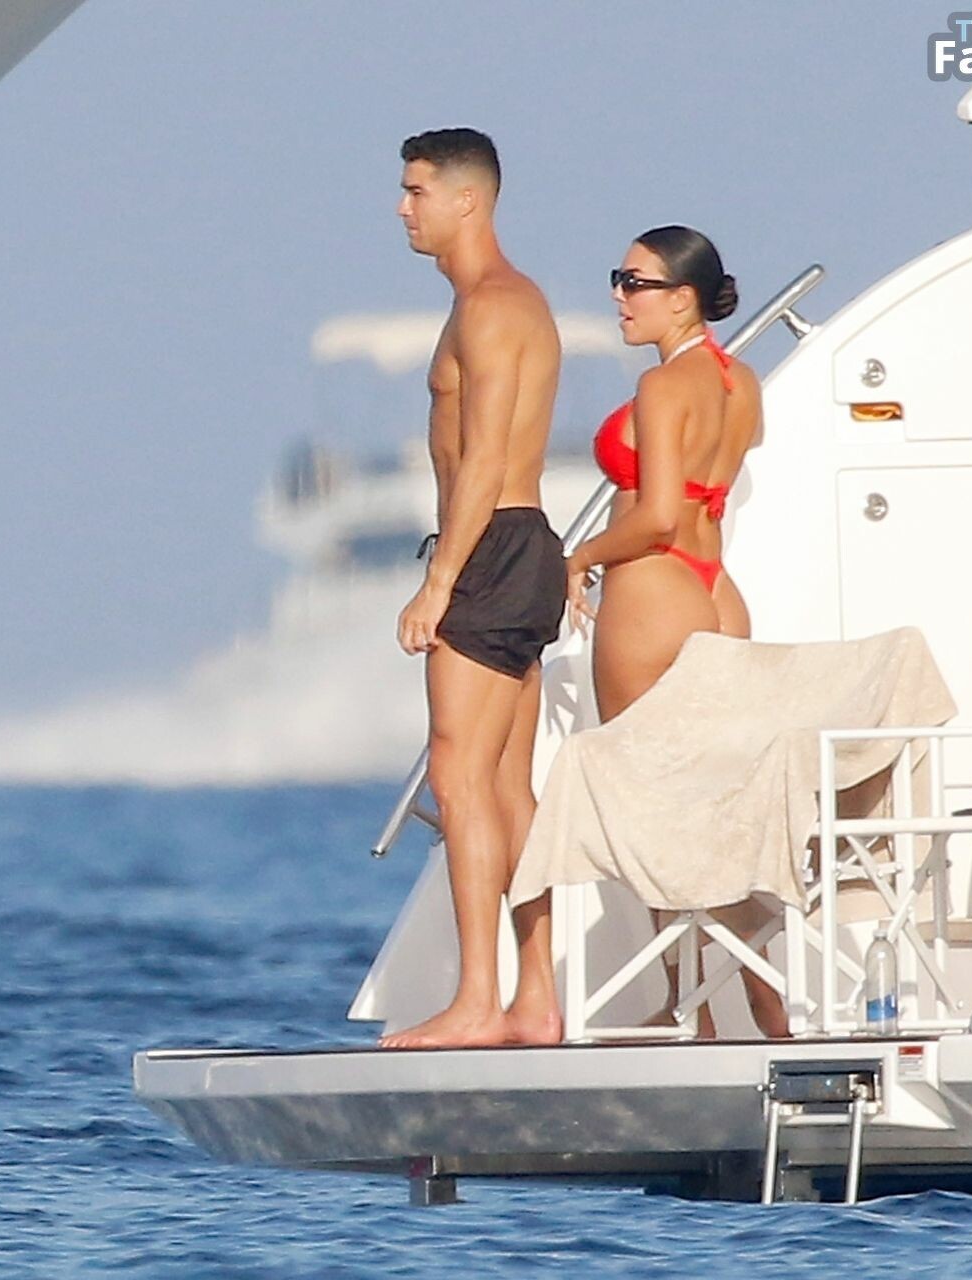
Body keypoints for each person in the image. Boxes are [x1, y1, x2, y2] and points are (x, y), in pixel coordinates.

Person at [563, 225, 789, 1039]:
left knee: (651, 809)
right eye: (618, 279)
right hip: (717, 589)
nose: (619, 297)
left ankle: (685, 1008)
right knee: (715, 806)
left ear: (683, 297)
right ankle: (762, 995)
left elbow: (657, 515)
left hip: (656, 588)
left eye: (635, 283)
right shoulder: (741, 382)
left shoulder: (663, 387)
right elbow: (705, 493)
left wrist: (577, 557)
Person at [381, 128, 566, 1049]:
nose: (402, 209)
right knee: (506, 787)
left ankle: (478, 1002)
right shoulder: (504, 300)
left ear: (467, 200)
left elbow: (485, 458)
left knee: (459, 778)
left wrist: (437, 584)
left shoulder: (491, 306)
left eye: (417, 191)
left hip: (492, 547)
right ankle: (536, 999)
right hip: (522, 545)